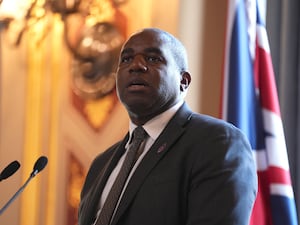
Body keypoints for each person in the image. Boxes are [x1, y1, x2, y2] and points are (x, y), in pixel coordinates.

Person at [78, 27, 257, 225]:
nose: (136, 65)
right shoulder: (101, 164)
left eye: (153, 59)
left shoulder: (217, 142)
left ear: (184, 81)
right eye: (126, 59)